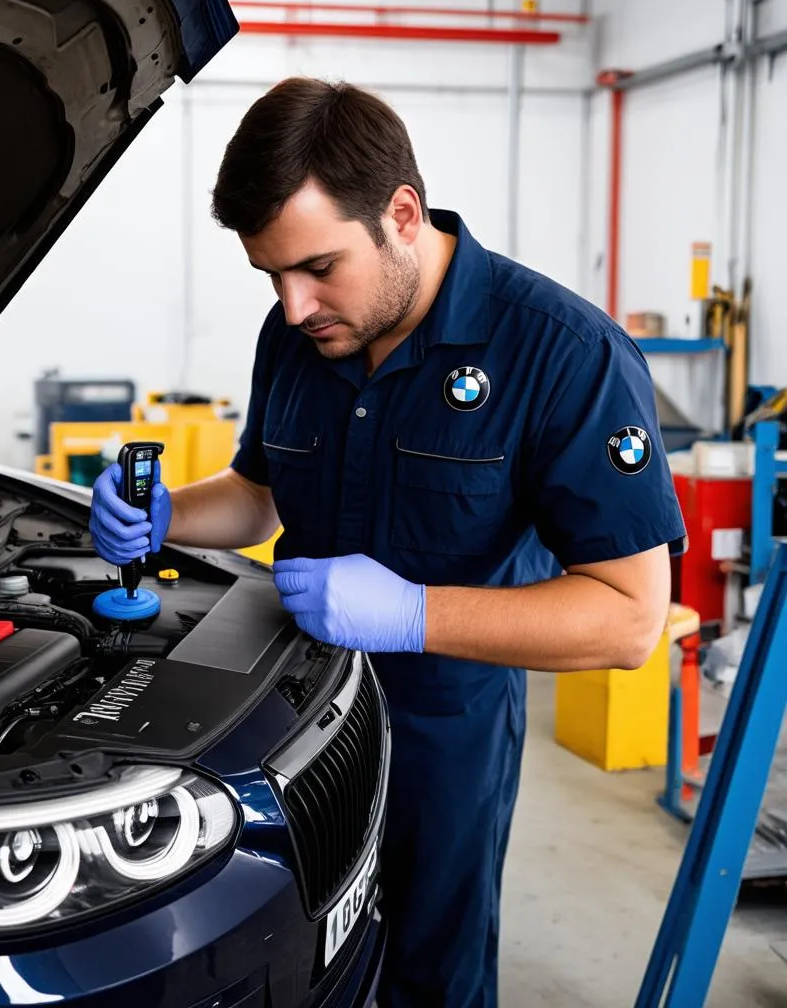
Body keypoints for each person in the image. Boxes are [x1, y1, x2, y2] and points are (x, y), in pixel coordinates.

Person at [89, 77, 686, 1008]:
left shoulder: (563, 354)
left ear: (402, 214)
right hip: (285, 722)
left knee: (426, 976)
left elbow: (627, 620)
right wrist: (166, 515)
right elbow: (258, 494)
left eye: (319, 268)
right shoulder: (297, 335)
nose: (293, 307)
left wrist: (411, 614)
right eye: (272, 277)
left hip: (443, 736)